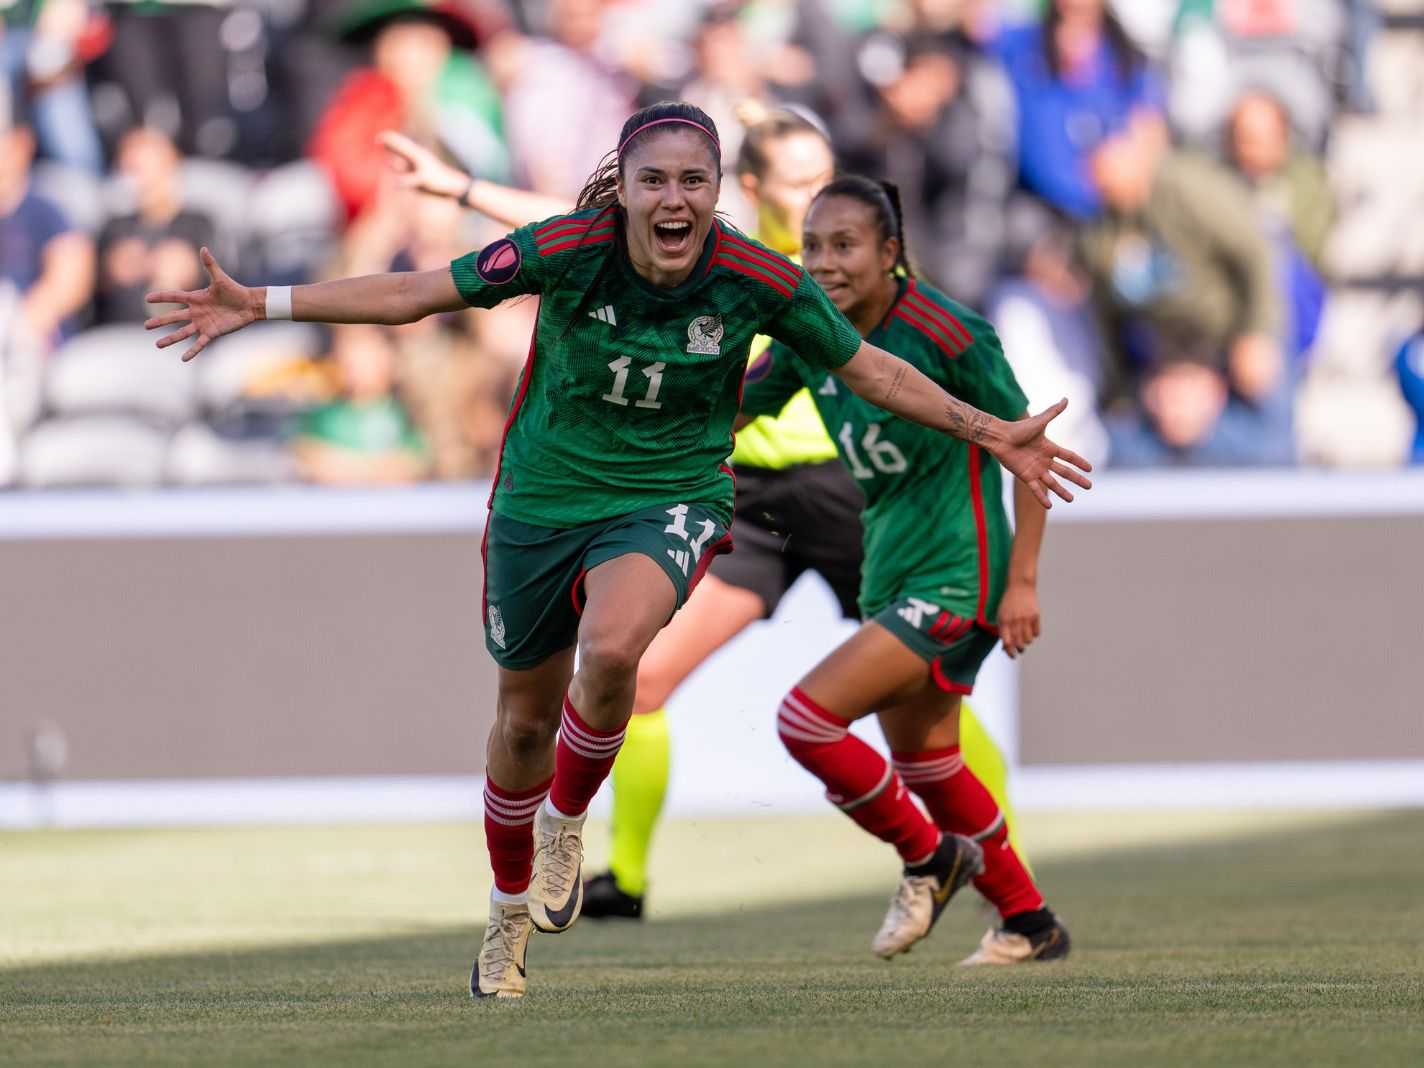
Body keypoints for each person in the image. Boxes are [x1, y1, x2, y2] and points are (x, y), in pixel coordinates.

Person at [146, 101, 1090, 1000]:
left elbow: (876, 369)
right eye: (654, 181)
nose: (673, 199)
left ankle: (572, 822)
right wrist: (263, 304)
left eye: (693, 181)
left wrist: (993, 429)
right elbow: (412, 293)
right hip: (543, 501)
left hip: (673, 498)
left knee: (619, 652)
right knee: (522, 723)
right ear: (625, 188)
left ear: (721, 191)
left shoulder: (760, 277)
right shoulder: (568, 249)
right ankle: (507, 914)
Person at [383, 107, 1031, 923]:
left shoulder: (827, 263)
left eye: (825, 178)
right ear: (752, 188)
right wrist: (468, 189)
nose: (819, 197)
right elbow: (583, 227)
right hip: (747, 494)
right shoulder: (698, 237)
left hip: (848, 492)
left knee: (926, 697)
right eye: (799, 182)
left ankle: (1004, 874)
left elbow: (886, 363)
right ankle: (625, 876)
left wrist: (986, 436)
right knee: (635, 672)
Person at [741, 175, 1069, 965]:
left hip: (960, 571)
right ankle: (1029, 923)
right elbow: (740, 406)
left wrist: (1023, 580)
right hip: (886, 566)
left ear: (891, 254)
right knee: (928, 761)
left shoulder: (949, 333)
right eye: (812, 245)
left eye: (844, 246)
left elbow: (1027, 452)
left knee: (807, 721)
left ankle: (930, 857)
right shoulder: (810, 335)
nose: (823, 263)